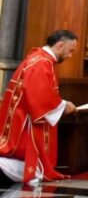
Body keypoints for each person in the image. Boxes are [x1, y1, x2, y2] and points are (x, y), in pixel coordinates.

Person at [0, 31, 79, 185]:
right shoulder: (41, 63)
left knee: (34, 167)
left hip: (23, 116)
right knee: (34, 169)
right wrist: (63, 106)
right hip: (24, 121)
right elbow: (39, 97)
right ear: (60, 45)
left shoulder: (41, 60)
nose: (70, 56)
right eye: (70, 51)